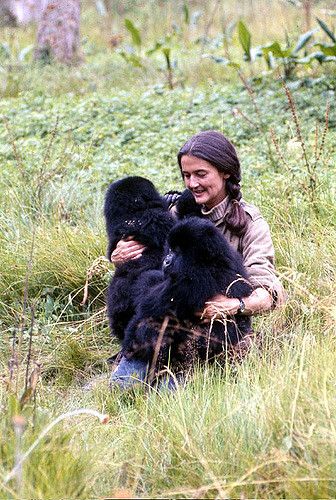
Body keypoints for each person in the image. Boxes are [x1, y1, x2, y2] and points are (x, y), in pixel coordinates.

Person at [110, 130, 286, 387]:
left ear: (225, 172)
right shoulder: (174, 211)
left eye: (201, 174)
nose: (192, 184)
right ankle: (139, 364)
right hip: (166, 314)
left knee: (169, 385)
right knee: (124, 385)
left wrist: (234, 305)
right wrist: (120, 256)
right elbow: (140, 267)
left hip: (213, 322)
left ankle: (178, 375)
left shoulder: (250, 223)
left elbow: (268, 291)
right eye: (186, 175)